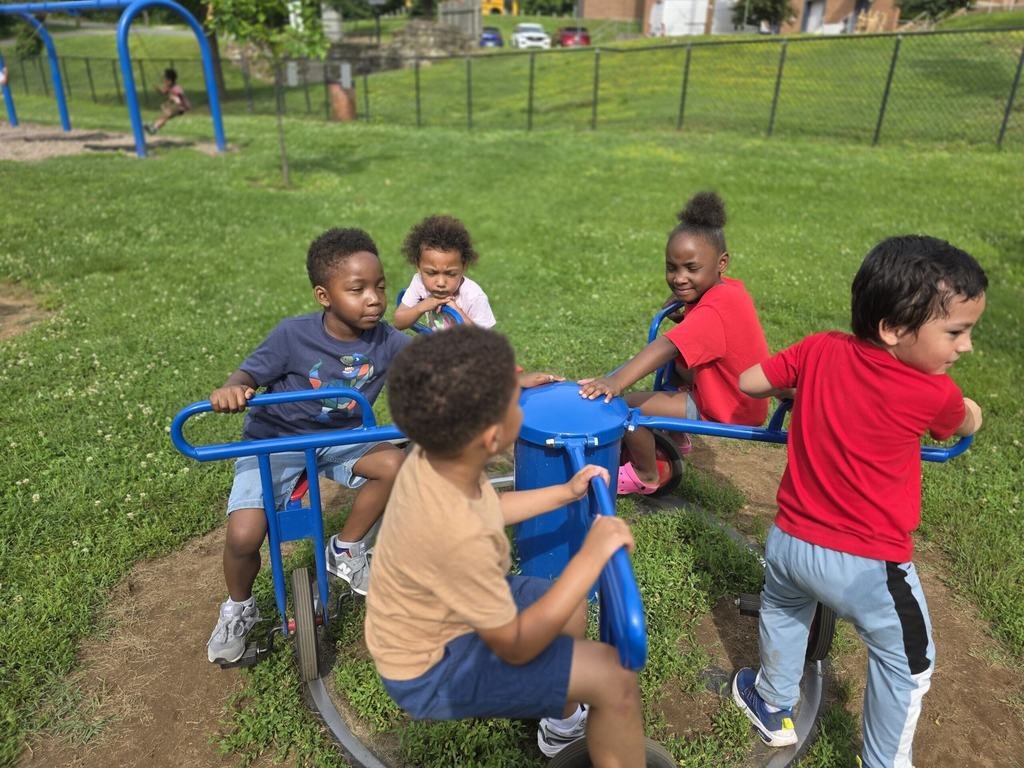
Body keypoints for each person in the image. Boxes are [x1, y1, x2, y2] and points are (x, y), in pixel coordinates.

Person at [730, 236, 987, 767]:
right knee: (907, 664)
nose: (965, 347)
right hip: (868, 566)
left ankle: (772, 703)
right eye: (956, 332)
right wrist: (973, 412)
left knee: (784, 608)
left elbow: (750, 381)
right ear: (893, 329)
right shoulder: (933, 392)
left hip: (790, 542)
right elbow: (962, 422)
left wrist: (798, 389)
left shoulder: (819, 348)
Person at [365, 326, 646, 766]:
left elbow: (489, 507)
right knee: (615, 680)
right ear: (492, 435)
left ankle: (561, 722)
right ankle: (582, 707)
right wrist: (590, 558)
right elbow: (516, 645)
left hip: (440, 614)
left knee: (568, 606)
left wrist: (565, 492)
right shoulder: (456, 534)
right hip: (432, 670)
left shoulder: (440, 456)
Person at [206, 228, 410, 665]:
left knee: (397, 465)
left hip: (340, 439)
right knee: (244, 535)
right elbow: (247, 375)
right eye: (357, 289)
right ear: (324, 295)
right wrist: (232, 388)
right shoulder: (291, 336)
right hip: (276, 440)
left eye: (379, 287)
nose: (374, 299)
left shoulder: (388, 341)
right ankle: (239, 607)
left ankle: (347, 549)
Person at [578, 191, 770, 495]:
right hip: (739, 394)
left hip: (726, 407)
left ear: (721, 262)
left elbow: (666, 346)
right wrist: (690, 308)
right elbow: (710, 331)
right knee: (678, 367)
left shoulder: (712, 312)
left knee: (628, 408)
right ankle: (676, 436)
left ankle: (646, 475)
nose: (679, 278)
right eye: (672, 268)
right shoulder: (728, 290)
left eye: (691, 269)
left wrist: (615, 381)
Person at [393, 214, 496, 332]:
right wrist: (423, 306)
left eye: (450, 274)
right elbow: (398, 322)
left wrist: (455, 310)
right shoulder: (419, 283)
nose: (441, 283)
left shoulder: (474, 296)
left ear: (464, 267)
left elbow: (484, 339)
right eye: (431, 273)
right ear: (418, 266)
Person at [145, 67, 190, 135]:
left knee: (167, 114)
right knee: (164, 114)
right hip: (174, 105)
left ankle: (154, 128)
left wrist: (174, 98)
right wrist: (158, 89)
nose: (163, 81)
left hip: (181, 107)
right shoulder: (168, 86)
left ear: (170, 80)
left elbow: (179, 98)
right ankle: (154, 127)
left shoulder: (176, 88)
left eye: (165, 79)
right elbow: (164, 92)